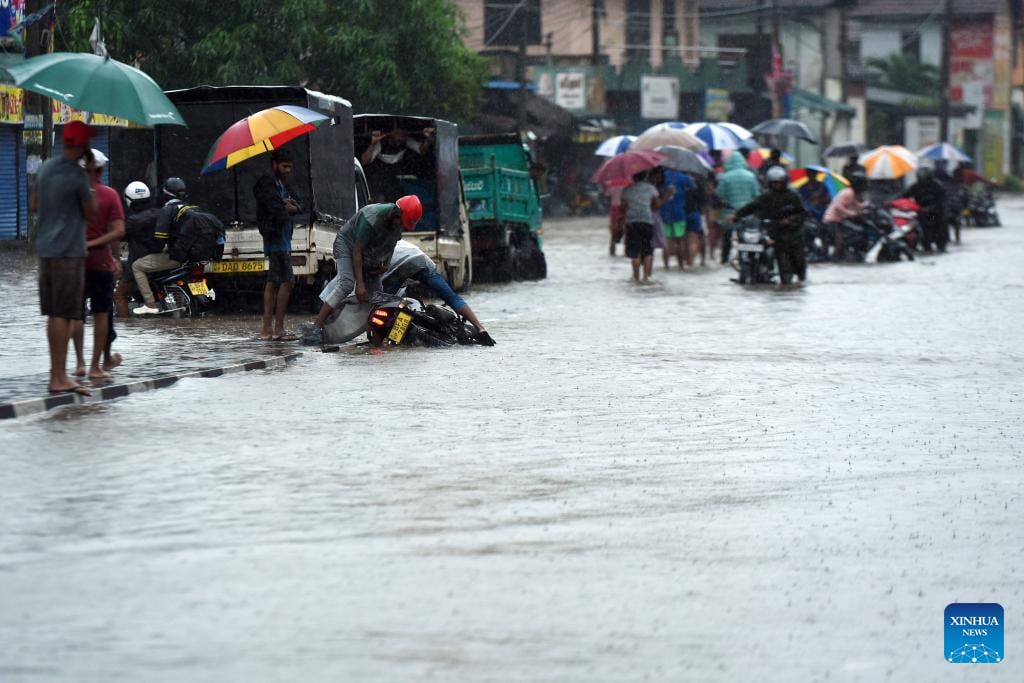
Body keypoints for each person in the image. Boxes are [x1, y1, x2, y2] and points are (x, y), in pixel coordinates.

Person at [30, 120, 97, 396]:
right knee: (65, 314)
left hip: (45, 250)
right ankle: (59, 378)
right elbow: (91, 214)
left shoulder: (45, 168)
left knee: (53, 314)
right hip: (68, 252)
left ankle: (55, 373)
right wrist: (90, 177)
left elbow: (34, 205)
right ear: (81, 146)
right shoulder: (78, 177)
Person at [312, 196, 423, 331]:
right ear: (395, 214)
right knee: (346, 284)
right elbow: (357, 249)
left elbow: (392, 243)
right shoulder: (371, 218)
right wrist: (360, 283)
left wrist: (385, 264)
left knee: (377, 296)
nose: (401, 227)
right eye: (401, 223)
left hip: (368, 250)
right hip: (348, 244)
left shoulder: (398, 223)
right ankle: (315, 328)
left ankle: (374, 337)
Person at [72, 149, 125, 380]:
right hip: (101, 263)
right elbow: (118, 232)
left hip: (72, 262)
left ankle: (80, 363)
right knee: (102, 312)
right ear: (101, 170)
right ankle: (96, 367)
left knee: (76, 314)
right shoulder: (109, 195)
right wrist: (112, 257)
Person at [382, 240, 494, 345]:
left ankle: (379, 344)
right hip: (421, 261)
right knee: (451, 297)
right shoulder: (394, 241)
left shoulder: (375, 247)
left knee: (384, 305)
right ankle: (480, 327)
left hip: (399, 269)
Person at [254, 149, 303, 341]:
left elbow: (299, 204)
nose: (288, 170)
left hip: (283, 238)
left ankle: (271, 330)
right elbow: (274, 209)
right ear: (274, 164)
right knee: (285, 281)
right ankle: (274, 330)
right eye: (284, 166)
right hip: (275, 239)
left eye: (290, 167)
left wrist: (291, 206)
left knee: (274, 282)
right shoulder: (265, 183)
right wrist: (287, 207)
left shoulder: (281, 183)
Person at [730, 165, 809, 285]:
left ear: (784, 182)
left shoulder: (793, 196)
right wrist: (736, 215)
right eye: (774, 183)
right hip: (776, 233)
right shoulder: (766, 196)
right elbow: (752, 206)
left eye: (779, 183)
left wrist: (790, 220)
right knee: (781, 260)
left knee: (798, 260)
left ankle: (800, 279)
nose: (776, 185)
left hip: (794, 234)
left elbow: (803, 214)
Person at [132, 177, 188, 315]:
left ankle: (150, 304)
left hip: (177, 256)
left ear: (166, 194)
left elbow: (160, 240)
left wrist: (153, 249)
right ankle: (181, 304)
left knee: (137, 266)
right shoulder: (189, 209)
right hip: (191, 255)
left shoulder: (167, 210)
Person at [115, 181, 162, 318]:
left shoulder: (132, 221)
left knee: (120, 294)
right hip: (161, 262)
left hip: (139, 263)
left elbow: (119, 237)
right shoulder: (159, 214)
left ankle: (126, 329)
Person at [620, 170, 672, 282]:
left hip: (632, 222)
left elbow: (623, 208)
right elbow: (656, 205)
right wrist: (667, 196)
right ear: (645, 176)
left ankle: (636, 277)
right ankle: (646, 277)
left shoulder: (627, 190)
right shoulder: (650, 189)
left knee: (635, 251)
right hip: (647, 221)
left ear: (633, 177)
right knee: (647, 251)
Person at [716, 151, 760, 264]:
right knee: (744, 238)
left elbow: (719, 194)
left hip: (729, 213)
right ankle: (743, 258)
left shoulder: (726, 177)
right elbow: (757, 195)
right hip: (746, 214)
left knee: (727, 238)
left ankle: (724, 259)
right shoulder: (751, 176)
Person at [823, 172, 869, 262]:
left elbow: (856, 204)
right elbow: (838, 206)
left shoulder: (851, 193)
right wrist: (850, 213)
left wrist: (867, 205)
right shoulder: (848, 193)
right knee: (839, 240)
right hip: (832, 219)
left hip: (839, 220)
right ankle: (835, 259)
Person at [902, 166, 946, 253]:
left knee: (940, 231)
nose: (923, 180)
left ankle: (940, 244)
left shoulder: (937, 186)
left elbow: (942, 201)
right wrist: (891, 201)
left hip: (936, 214)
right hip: (921, 213)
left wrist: (931, 208)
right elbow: (904, 195)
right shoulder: (915, 186)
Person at [660, 169, 689, 269]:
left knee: (667, 241)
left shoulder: (662, 176)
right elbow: (692, 189)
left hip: (665, 212)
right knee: (680, 241)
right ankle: (681, 266)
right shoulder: (684, 178)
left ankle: (666, 266)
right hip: (679, 213)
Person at [933, 160, 961, 245]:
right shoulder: (943, 181)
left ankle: (954, 239)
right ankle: (953, 239)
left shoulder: (953, 182)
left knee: (952, 223)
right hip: (947, 205)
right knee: (949, 223)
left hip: (952, 205)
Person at [606, 183, 625, 256]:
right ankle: (626, 252)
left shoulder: (611, 185)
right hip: (623, 208)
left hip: (614, 209)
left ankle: (612, 252)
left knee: (613, 232)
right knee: (625, 230)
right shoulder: (626, 186)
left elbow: (608, 197)